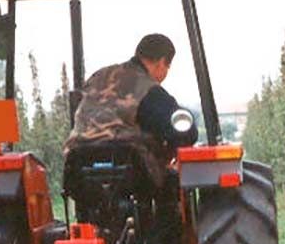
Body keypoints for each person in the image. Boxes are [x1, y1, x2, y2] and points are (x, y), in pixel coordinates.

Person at [63, 33, 198, 187]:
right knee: (173, 180)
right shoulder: (147, 89)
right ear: (161, 63)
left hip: (76, 167)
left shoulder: (98, 77)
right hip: (128, 170)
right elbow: (185, 131)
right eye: (168, 67)